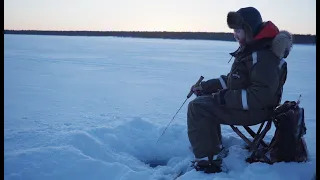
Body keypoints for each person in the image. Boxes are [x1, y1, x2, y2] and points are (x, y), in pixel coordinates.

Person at [187, 7, 293, 173]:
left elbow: (260, 96)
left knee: (198, 108)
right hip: (252, 106)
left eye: (238, 30)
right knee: (203, 102)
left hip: (256, 110)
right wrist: (206, 87)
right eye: (233, 30)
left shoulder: (262, 56)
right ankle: (212, 150)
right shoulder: (253, 48)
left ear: (249, 30)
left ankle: (208, 162)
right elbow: (235, 80)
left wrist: (223, 98)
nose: (234, 34)